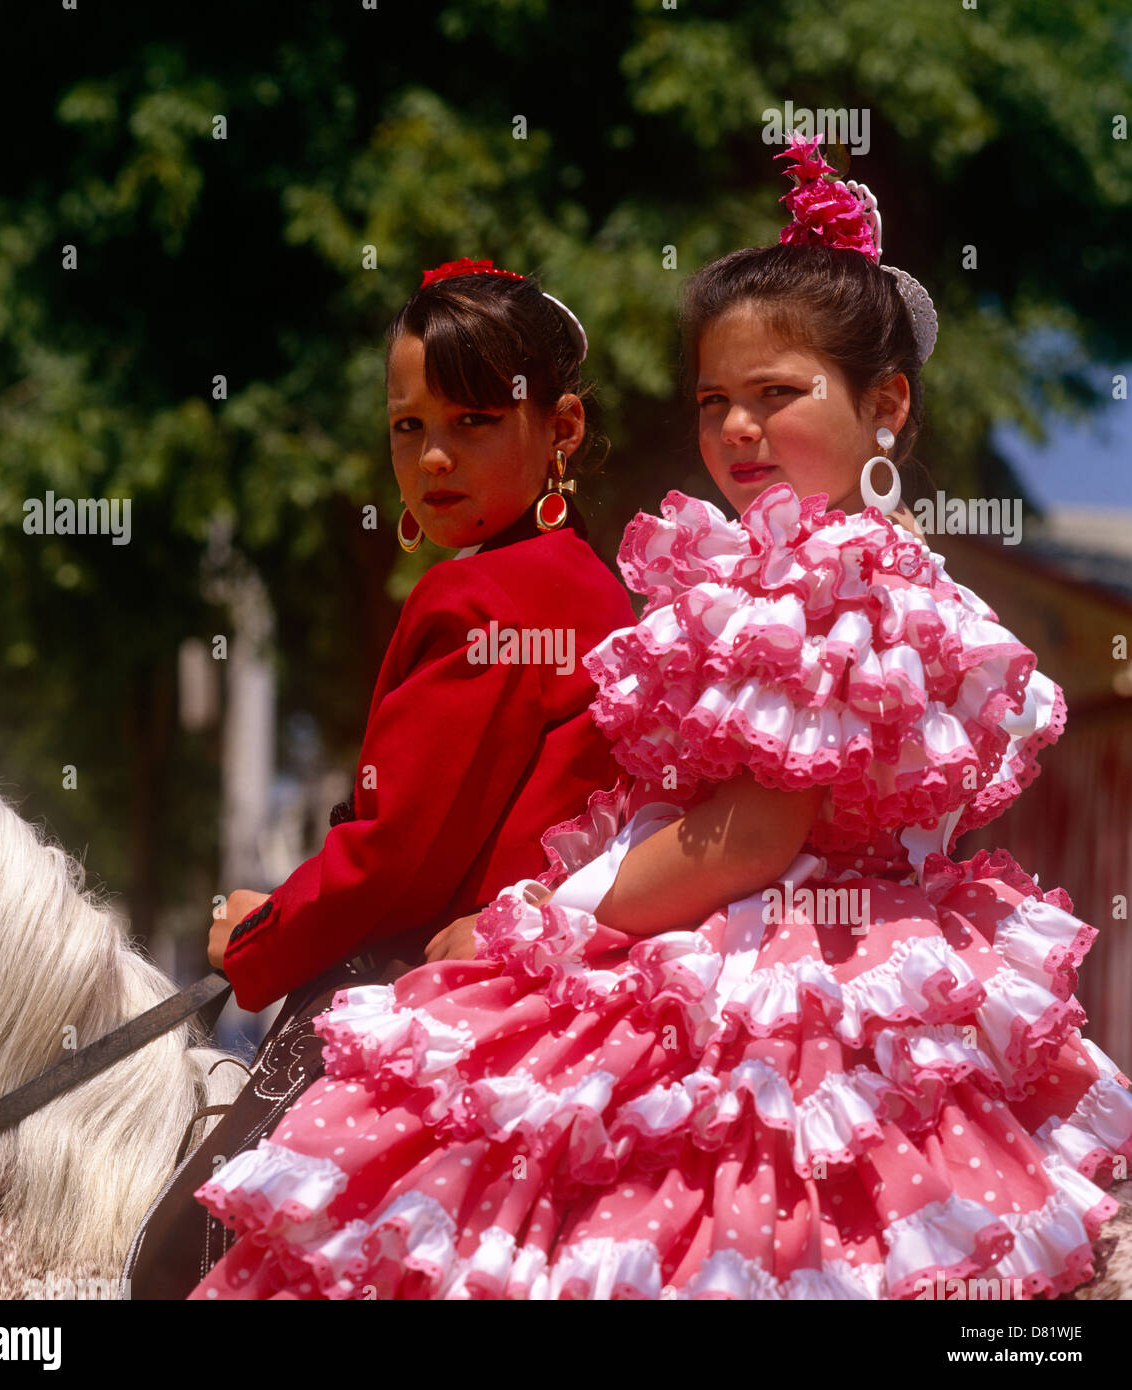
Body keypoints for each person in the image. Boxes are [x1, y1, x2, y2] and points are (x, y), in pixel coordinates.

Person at [184, 137, 1132, 1300]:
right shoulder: (802, 571)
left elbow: (750, 836)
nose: (737, 429)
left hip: (787, 961)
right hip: (810, 933)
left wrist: (530, 919)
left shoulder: (819, 586)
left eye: (776, 397)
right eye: (714, 402)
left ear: (885, 404)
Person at [123, 258, 637, 1297]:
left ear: (563, 429)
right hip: (551, 994)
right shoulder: (590, 584)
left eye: (475, 421)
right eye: (408, 427)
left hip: (434, 980)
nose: (433, 457)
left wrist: (258, 935)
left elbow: (398, 854)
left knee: (182, 1260)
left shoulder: (483, 600)